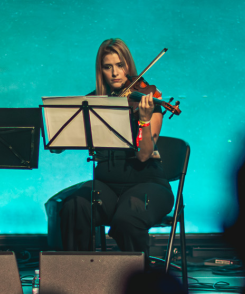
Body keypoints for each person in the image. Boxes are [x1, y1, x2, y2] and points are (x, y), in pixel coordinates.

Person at [57, 38, 174, 254]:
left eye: (120, 66)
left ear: (129, 66)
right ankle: (76, 276)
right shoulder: (92, 102)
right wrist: (61, 140)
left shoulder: (148, 98)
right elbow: (71, 134)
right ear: (100, 70)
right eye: (108, 67)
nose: (115, 73)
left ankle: (138, 280)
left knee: (127, 218)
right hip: (107, 185)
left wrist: (144, 120)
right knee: (73, 206)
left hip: (148, 184)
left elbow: (144, 155)